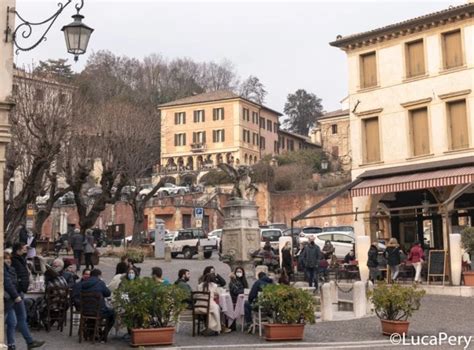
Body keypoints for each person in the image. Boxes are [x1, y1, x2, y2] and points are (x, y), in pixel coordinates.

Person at [4, 251, 45, 350]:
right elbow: (8, 283)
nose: (8, 260)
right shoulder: (5, 269)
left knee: (13, 321)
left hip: (14, 296)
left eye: (9, 258)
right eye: (6, 259)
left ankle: (14, 344)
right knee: (16, 320)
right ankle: (25, 342)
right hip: (12, 297)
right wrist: (16, 295)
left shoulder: (11, 268)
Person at [79, 269, 115, 341]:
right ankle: (103, 334)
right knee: (113, 313)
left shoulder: (83, 283)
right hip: (98, 311)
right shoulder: (100, 282)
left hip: (85, 311)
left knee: (93, 312)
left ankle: (91, 332)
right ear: (99, 275)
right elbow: (108, 293)